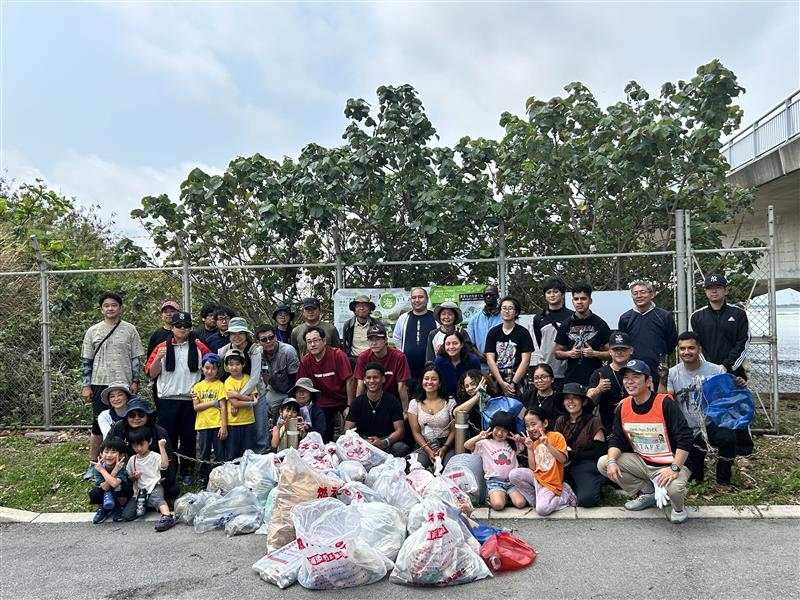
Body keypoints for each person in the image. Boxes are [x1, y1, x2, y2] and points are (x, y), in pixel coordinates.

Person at [597, 359, 694, 524]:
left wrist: (674, 468)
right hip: (643, 462)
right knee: (604, 463)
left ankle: (678, 508)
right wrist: (612, 461)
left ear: (649, 381)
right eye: (626, 377)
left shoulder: (665, 403)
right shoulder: (623, 406)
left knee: (674, 488)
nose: (629, 381)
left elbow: (685, 437)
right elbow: (617, 439)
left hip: (671, 463)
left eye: (635, 377)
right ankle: (648, 493)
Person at [660, 331, 753, 489]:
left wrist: (738, 385)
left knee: (728, 437)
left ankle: (723, 480)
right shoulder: (673, 373)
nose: (686, 352)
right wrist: (663, 379)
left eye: (691, 348)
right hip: (687, 429)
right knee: (695, 479)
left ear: (699, 349)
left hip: (710, 424)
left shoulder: (716, 371)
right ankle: (697, 472)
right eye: (682, 348)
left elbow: (730, 397)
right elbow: (663, 401)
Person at [80, 291, 144, 479]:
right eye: (106, 305)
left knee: (128, 422)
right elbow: (87, 361)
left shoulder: (130, 330)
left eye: (114, 305)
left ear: (121, 308)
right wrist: (86, 385)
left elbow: (135, 359)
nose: (110, 308)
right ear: (101, 309)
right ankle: (94, 463)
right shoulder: (93, 331)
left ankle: (128, 462)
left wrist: (135, 380)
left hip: (124, 383)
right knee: (98, 425)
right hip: (100, 382)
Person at [145, 311, 211, 485]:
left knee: (189, 436)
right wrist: (158, 358)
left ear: (190, 328)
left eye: (186, 326)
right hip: (167, 399)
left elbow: (213, 366)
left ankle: (187, 471)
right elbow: (151, 373)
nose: (182, 329)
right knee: (168, 437)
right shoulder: (161, 347)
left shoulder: (199, 346)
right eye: (178, 326)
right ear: (172, 328)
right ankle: (170, 469)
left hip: (190, 399)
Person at [105, 398, 179, 499]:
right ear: (126, 416)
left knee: (172, 490)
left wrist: (165, 478)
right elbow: (106, 448)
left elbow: (170, 458)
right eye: (132, 415)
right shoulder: (118, 428)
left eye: (141, 415)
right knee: (120, 489)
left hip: (153, 473)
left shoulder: (159, 432)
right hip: (126, 471)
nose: (136, 418)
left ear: (147, 416)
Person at [509, 408, 577, 515]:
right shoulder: (534, 443)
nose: (531, 429)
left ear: (545, 423)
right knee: (513, 474)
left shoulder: (556, 436)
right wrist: (529, 448)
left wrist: (548, 445)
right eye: (527, 426)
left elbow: (563, 460)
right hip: (537, 479)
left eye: (534, 424)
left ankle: (566, 495)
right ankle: (537, 499)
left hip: (551, 484)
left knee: (542, 509)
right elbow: (533, 468)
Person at [296, 326, 354, 442]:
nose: (313, 345)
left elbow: (350, 380)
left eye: (316, 340)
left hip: (343, 399)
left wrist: (349, 406)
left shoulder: (337, 355)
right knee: (323, 435)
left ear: (324, 341)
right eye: (309, 342)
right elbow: (301, 385)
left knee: (350, 433)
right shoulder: (306, 361)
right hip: (322, 400)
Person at [554, 383, 607, 507]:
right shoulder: (561, 421)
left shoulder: (593, 421)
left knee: (587, 500)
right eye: (567, 398)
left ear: (583, 402)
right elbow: (556, 445)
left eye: (575, 398)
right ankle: (571, 485)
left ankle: (594, 484)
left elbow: (599, 452)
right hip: (563, 463)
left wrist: (574, 455)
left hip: (585, 463)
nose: (570, 401)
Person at [617, 280, 677, 388]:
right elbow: (623, 345)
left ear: (652, 294)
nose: (639, 296)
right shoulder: (625, 318)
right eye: (635, 293)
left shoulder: (664, 316)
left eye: (643, 292)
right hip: (633, 373)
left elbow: (671, 342)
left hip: (658, 373)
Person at [690, 274, 750, 380]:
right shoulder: (697, 316)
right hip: (706, 373)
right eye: (710, 288)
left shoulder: (739, 314)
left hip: (734, 372)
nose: (714, 291)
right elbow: (695, 344)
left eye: (718, 287)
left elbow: (743, 342)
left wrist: (726, 366)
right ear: (705, 291)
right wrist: (710, 367)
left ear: (726, 290)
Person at [464, 410, 527, 511]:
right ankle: (496, 496)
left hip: (512, 481)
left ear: (509, 431)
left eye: (505, 430)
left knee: (520, 503)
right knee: (498, 505)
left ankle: (506, 496)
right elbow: (467, 445)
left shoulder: (512, 444)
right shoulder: (484, 443)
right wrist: (479, 437)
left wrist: (519, 439)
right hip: (494, 481)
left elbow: (524, 446)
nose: (500, 433)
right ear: (492, 427)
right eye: (497, 428)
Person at [345, 362, 410, 458]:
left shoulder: (393, 401)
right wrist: (363, 442)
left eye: (375, 377)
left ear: (383, 379)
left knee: (400, 448)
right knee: (345, 445)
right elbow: (348, 430)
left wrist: (384, 442)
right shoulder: (357, 402)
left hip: (386, 441)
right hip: (363, 442)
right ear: (364, 380)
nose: (371, 381)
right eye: (368, 378)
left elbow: (400, 431)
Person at [554, 283, 611, 386]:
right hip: (571, 378)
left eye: (583, 299)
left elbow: (612, 353)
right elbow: (557, 353)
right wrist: (569, 353)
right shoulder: (565, 324)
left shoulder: (600, 324)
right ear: (572, 301)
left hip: (595, 378)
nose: (579, 302)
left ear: (590, 301)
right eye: (576, 299)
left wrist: (595, 353)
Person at [255, 324, 299, 451]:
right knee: (262, 409)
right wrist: (264, 401)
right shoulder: (257, 354)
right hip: (273, 389)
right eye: (264, 339)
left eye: (271, 337)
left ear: (276, 337)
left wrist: (289, 403)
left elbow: (294, 379)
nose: (268, 341)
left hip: (291, 389)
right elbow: (259, 380)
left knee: (291, 411)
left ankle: (295, 444)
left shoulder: (288, 351)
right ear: (258, 342)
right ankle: (266, 445)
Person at [123, 427, 175, 531]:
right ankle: (147, 505)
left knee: (158, 499)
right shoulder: (132, 459)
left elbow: (165, 465)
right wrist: (134, 477)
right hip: (139, 492)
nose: (139, 448)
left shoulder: (154, 456)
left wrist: (161, 447)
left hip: (154, 486)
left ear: (149, 441)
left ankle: (167, 516)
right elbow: (129, 477)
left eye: (141, 444)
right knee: (127, 516)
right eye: (135, 445)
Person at [407, 365, 456, 468]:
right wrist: (428, 450)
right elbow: (416, 432)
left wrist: (445, 447)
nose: (429, 382)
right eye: (426, 378)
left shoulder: (450, 401)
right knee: (417, 467)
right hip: (423, 444)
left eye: (434, 379)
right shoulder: (414, 403)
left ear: (440, 383)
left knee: (450, 467)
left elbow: (453, 430)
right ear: (422, 381)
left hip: (446, 444)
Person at [485, 296, 534, 398]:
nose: (507, 311)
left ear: (516, 312)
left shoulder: (523, 333)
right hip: (497, 377)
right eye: (504, 308)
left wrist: (513, 383)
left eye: (510, 308)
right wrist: (501, 382)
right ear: (500, 311)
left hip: (518, 377)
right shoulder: (493, 332)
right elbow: (490, 359)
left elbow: (525, 361)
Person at [586, 331, 635, 434]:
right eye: (615, 349)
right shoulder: (599, 373)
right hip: (608, 428)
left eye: (623, 349)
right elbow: (588, 403)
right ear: (610, 351)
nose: (619, 352)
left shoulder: (638, 372)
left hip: (635, 426)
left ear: (631, 350)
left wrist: (627, 401)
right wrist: (598, 390)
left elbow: (649, 397)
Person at [191, 353, 228, 490]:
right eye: (207, 368)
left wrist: (224, 426)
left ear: (218, 370)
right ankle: (203, 478)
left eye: (213, 368)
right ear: (202, 368)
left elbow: (223, 406)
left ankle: (220, 477)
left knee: (220, 452)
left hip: (217, 424)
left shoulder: (220, 385)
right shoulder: (197, 387)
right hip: (203, 424)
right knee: (204, 452)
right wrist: (213, 403)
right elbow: (196, 407)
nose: (209, 371)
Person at [354, 324, 411, 410]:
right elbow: (360, 384)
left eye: (378, 339)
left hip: (394, 399)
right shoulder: (363, 357)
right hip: (371, 398)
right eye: (371, 340)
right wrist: (357, 408)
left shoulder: (399, 357)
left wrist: (405, 410)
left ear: (385, 340)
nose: (374, 343)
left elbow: (402, 386)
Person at [391, 287, 437, 392]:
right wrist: (403, 353)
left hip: (430, 370)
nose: (417, 300)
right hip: (408, 370)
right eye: (414, 297)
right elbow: (397, 337)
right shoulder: (404, 318)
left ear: (427, 299)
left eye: (420, 297)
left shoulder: (435, 318)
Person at [532, 278, 573, 391]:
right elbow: (540, 341)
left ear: (563, 294)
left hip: (566, 370)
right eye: (548, 292)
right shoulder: (539, 318)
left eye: (555, 291)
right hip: (545, 369)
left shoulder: (572, 316)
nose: (552, 295)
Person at [223, 349, 257, 459]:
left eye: (237, 364)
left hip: (249, 420)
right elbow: (235, 403)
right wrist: (250, 403)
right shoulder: (228, 382)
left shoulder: (248, 379)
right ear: (227, 366)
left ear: (243, 364)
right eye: (231, 364)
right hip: (233, 422)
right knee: (233, 452)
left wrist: (237, 395)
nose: (234, 367)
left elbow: (254, 397)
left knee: (248, 451)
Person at [89, 437, 130, 524]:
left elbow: (115, 483)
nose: (109, 455)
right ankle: (103, 509)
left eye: (113, 452)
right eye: (106, 452)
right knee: (95, 492)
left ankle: (121, 507)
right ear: (101, 454)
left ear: (121, 455)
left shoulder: (122, 466)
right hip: (106, 491)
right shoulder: (98, 467)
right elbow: (105, 487)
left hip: (118, 491)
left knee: (125, 488)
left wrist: (113, 470)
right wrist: (102, 470)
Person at [147, 300, 180, 407]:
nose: (169, 314)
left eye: (172, 311)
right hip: (162, 382)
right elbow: (150, 362)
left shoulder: (185, 333)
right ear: (161, 315)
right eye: (166, 312)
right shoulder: (156, 336)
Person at [466, 284, 503, 372]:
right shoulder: (474, 319)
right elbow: (469, 343)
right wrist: (478, 354)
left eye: (491, 294)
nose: (488, 297)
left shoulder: (505, 318)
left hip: (501, 364)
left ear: (497, 296)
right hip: (481, 366)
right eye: (486, 295)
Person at [434, 330, 480, 398]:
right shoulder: (439, 361)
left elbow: (477, 384)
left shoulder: (472, 360)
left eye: (455, 343)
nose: (451, 347)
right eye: (448, 344)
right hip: (446, 398)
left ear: (462, 344)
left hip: (469, 397)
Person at [342, 295, 384, 368]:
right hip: (353, 360)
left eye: (365, 306)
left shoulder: (377, 324)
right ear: (354, 309)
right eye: (358, 306)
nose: (361, 308)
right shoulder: (348, 325)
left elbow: (383, 343)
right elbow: (345, 345)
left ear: (369, 309)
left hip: (372, 360)